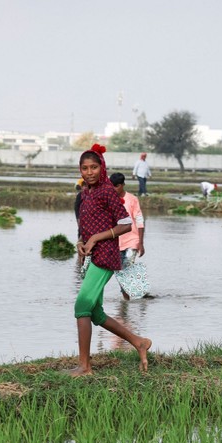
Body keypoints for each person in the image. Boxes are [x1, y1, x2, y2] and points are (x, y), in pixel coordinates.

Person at [71, 144, 152, 376]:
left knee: (81, 307)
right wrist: (82, 242)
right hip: (93, 255)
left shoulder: (107, 191)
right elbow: (86, 225)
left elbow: (126, 224)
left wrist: (96, 238)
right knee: (95, 313)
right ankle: (139, 342)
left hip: (105, 256)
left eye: (94, 167)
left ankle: (85, 367)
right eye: (85, 168)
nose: (89, 172)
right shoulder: (85, 193)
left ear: (102, 167)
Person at [110, 173, 149, 301]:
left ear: (122, 185)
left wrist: (141, 243)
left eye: (116, 186)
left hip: (132, 241)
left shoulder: (132, 199)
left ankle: (128, 300)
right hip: (116, 242)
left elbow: (139, 221)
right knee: (120, 272)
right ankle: (128, 300)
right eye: (112, 186)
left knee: (125, 269)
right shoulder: (109, 200)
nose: (114, 189)